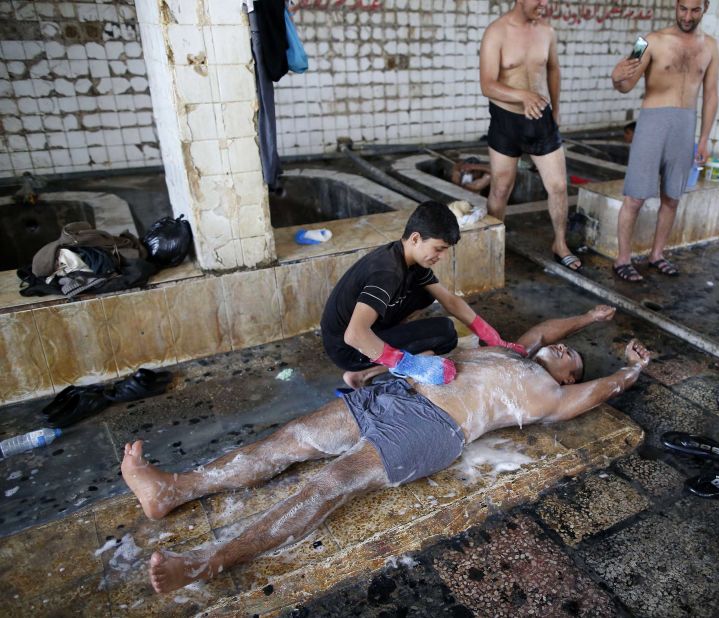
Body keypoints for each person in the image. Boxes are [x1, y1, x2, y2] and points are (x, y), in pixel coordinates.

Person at [120, 306, 650, 593]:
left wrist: (632, 368)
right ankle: (172, 489)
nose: (562, 351)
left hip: (433, 426)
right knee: (290, 440)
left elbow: (604, 389)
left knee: (329, 483)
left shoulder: (551, 394)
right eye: (562, 347)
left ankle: (208, 563)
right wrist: (587, 319)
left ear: (571, 377)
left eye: (571, 357)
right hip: (397, 389)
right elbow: (545, 329)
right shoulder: (514, 351)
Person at [321, 200, 523, 389]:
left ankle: (395, 349)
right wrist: (410, 364)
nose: (442, 257)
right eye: (439, 249)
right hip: (348, 348)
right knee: (444, 332)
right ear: (416, 238)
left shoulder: (409, 258)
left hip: (366, 330)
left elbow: (450, 300)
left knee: (427, 294)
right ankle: (361, 374)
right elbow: (354, 335)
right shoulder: (387, 272)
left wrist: (493, 337)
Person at [610, 0, 719, 282]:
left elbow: (711, 95)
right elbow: (625, 84)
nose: (687, 16)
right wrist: (616, 78)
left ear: (705, 7)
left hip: (685, 125)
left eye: (695, 10)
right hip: (652, 121)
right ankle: (622, 259)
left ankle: (657, 254)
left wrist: (704, 139)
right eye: (683, 8)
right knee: (634, 197)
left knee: (672, 196)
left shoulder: (711, 47)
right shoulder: (646, 41)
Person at [479, 0, 581, 271]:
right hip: (506, 120)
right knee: (501, 188)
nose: (545, 4)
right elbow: (487, 84)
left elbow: (553, 69)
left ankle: (560, 244)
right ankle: (494, 247)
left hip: (541, 119)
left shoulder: (547, 32)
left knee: (559, 186)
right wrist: (522, 95)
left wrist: (556, 108)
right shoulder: (496, 32)